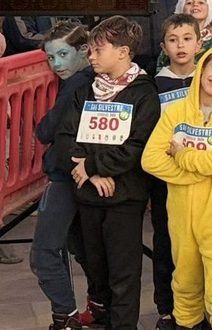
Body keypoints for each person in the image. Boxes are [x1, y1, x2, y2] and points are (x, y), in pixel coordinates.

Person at [53, 16, 160, 330]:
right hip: (87, 195)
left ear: (124, 52)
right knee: (97, 272)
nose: (91, 55)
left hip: (125, 198)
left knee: (123, 277)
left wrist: (92, 165)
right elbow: (64, 136)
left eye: (99, 49)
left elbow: (137, 146)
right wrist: (89, 171)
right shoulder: (83, 89)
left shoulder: (144, 93)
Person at [140, 43, 212, 330]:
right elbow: (150, 159)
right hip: (180, 212)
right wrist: (194, 174)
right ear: (202, 68)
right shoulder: (175, 112)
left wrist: (183, 156)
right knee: (185, 282)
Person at [32, 22, 104, 330]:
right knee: (79, 246)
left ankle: (65, 318)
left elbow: (46, 130)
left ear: (84, 51)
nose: (57, 64)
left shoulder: (76, 84)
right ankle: (100, 306)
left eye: (63, 54)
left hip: (65, 174)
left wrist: (46, 124)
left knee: (45, 252)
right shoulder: (89, 79)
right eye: (51, 57)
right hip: (82, 174)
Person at [150, 14, 206, 326]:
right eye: (173, 39)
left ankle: (204, 307)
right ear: (163, 46)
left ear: (200, 42)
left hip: (204, 175)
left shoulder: (209, 79)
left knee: (203, 244)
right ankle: (167, 308)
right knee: (167, 241)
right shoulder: (155, 83)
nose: (180, 45)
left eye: (187, 38)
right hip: (166, 178)